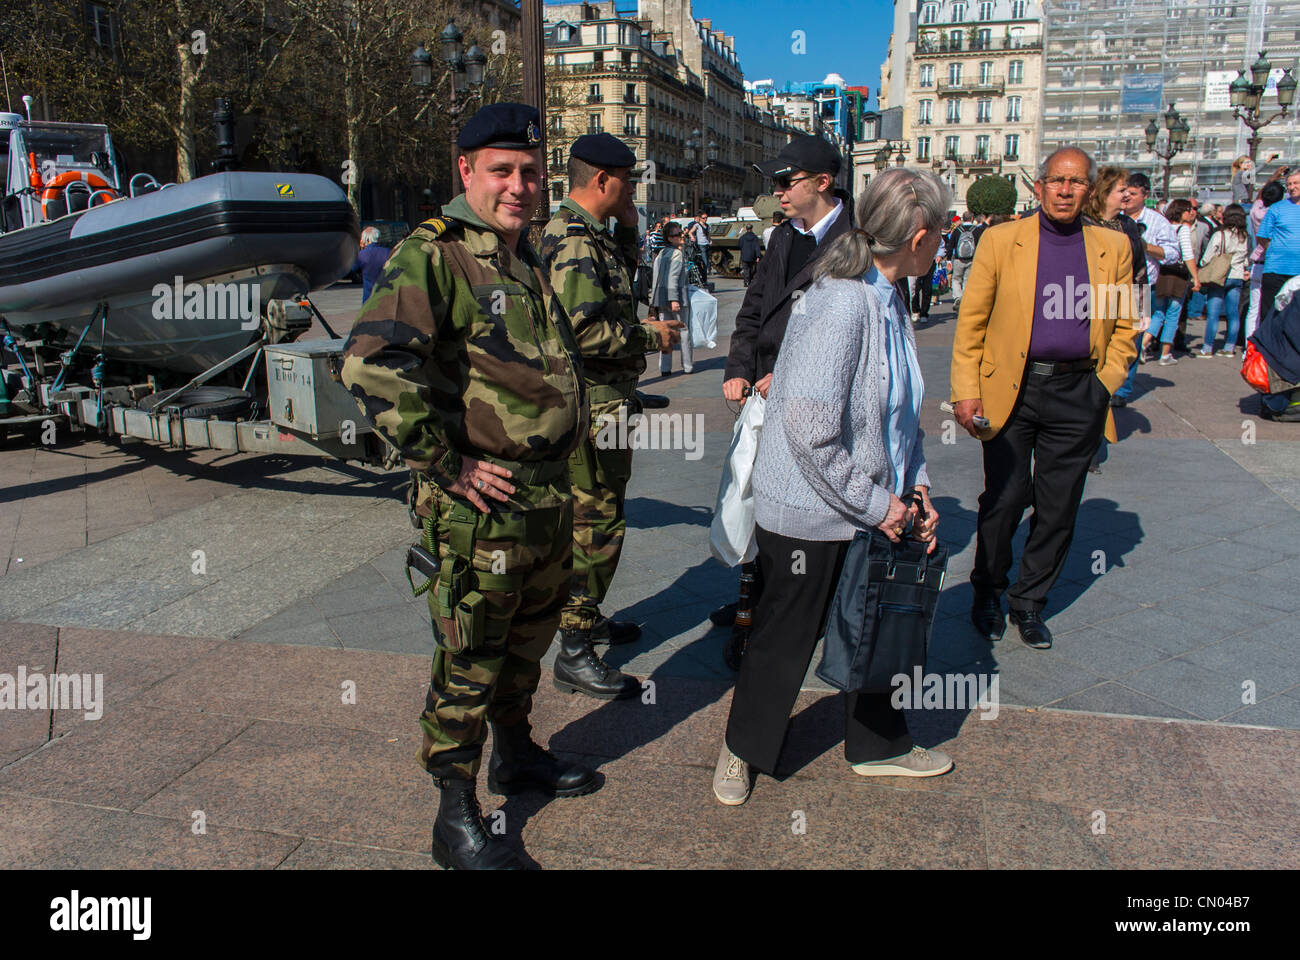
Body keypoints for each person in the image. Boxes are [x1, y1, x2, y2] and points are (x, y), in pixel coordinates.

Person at [339, 103, 593, 871]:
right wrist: (445, 463)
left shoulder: (520, 253)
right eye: (501, 172)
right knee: (471, 655)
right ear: (466, 173)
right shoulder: (436, 255)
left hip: (545, 499)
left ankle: (515, 754)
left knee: (528, 640)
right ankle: (455, 813)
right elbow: (368, 365)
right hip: (484, 509)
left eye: (529, 172)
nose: (519, 186)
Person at [711, 167, 952, 806]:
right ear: (921, 236)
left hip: (868, 504)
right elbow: (810, 429)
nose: (943, 245)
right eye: (942, 235)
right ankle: (742, 749)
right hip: (810, 510)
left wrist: (917, 492)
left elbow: (899, 418)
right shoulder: (845, 300)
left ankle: (879, 744)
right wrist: (882, 505)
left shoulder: (889, 297)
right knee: (783, 638)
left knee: (879, 625)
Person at [951, 147, 1138, 651]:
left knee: (1059, 506)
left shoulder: (1111, 247)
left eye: (1076, 182)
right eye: (1056, 180)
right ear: (1039, 186)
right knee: (1006, 497)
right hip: (1012, 386)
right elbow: (972, 322)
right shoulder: (1001, 240)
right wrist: (965, 390)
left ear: (1090, 190)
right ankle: (987, 589)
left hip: (1080, 390)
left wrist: (1105, 383)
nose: (1065, 190)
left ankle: (1029, 602)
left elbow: (1124, 324)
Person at [541, 133, 683, 701]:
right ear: (602, 179)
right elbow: (580, 332)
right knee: (597, 523)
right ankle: (574, 647)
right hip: (594, 406)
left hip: (605, 402)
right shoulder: (573, 241)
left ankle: (587, 618)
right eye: (629, 180)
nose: (636, 189)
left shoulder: (586, 233)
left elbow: (622, 273)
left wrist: (627, 220)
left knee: (598, 514)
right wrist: (650, 334)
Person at [714, 135, 852, 637]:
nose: (777, 193)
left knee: (805, 507)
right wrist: (737, 369)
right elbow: (753, 309)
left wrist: (795, 373)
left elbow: (857, 336)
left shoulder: (858, 241)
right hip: (763, 392)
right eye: (773, 183)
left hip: (814, 397)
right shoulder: (781, 238)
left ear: (822, 182)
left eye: (785, 182)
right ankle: (754, 597)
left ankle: (797, 606)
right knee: (753, 496)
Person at [1083, 166, 1147, 408]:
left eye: (1129, 191)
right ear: (1103, 192)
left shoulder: (1128, 225)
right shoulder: (1083, 222)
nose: (1127, 196)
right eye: (1122, 190)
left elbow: (1140, 267)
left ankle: (1117, 389)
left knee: (1127, 346)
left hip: (1123, 297)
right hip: (1088, 300)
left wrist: (1144, 308)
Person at [1141, 198, 1198, 365]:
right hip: (1177, 276)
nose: (1192, 212)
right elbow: (1187, 254)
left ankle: (1143, 344)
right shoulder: (1183, 229)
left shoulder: (1163, 225)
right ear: (1181, 212)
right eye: (1189, 209)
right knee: (1173, 313)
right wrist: (1196, 277)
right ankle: (1165, 354)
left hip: (1161, 273)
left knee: (1158, 312)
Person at [1195, 203, 1250, 358]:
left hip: (1219, 276)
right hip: (1237, 275)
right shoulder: (1244, 236)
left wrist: (1202, 266)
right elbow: (1245, 257)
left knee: (1213, 313)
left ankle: (1207, 348)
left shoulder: (1220, 234)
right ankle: (1229, 347)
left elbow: (1207, 256)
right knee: (1233, 313)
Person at [1256, 168, 1300, 319]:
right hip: (1276, 270)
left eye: (1296, 183)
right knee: (1270, 315)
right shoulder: (1277, 208)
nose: (1292, 187)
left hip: (1299, 273)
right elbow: (1262, 236)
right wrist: (1277, 249)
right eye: (1289, 184)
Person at [1246, 181, 1286, 340]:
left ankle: (1250, 346)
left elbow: (1259, 196)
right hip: (1274, 263)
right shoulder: (1278, 213)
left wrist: (1273, 178)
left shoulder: (1256, 210)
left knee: (1254, 309)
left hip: (1257, 263)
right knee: (1274, 307)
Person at [652, 221, 693, 374]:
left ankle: (665, 367)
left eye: (681, 232)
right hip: (676, 297)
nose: (681, 236)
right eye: (677, 234)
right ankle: (687, 366)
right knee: (684, 331)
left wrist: (654, 300)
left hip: (661, 298)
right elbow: (673, 278)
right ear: (670, 238)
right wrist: (674, 299)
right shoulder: (677, 254)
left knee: (665, 332)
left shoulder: (661, 253)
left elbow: (656, 277)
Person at [947, 211, 981, 309]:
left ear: (963, 218)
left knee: (956, 279)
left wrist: (949, 259)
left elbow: (950, 246)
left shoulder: (957, 230)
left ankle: (958, 297)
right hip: (972, 259)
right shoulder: (976, 230)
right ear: (972, 218)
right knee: (967, 280)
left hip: (958, 259)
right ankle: (966, 299)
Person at [356, 226, 392, 303]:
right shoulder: (389, 252)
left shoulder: (362, 255)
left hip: (369, 298)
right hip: (386, 297)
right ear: (378, 238)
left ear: (366, 239)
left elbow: (352, 269)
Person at [692, 212, 712, 280]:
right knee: (704, 260)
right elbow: (690, 232)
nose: (705, 219)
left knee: (709, 259)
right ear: (700, 218)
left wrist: (710, 240)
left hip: (707, 244)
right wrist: (692, 237)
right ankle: (704, 273)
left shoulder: (708, 226)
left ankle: (706, 273)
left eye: (706, 218)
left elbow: (708, 234)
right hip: (701, 244)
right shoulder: (697, 225)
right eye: (703, 218)